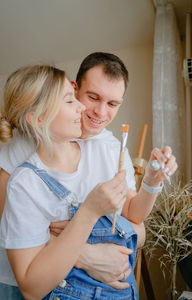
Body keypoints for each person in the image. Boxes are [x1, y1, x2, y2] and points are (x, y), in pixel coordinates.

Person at [0, 53, 177, 299]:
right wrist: (84, 253)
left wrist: (151, 183)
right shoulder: (26, 149)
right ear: (75, 88)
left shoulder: (110, 147)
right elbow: (8, 219)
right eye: (92, 97)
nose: (99, 112)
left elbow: (135, 223)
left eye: (113, 104)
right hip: (28, 276)